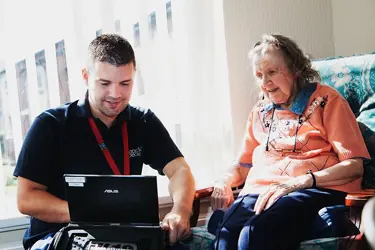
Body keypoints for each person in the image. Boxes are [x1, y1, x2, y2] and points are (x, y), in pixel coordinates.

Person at [14, 34, 195, 249]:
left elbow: (179, 169)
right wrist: (91, 213)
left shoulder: (143, 121)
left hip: (123, 234)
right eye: (105, 83)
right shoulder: (51, 124)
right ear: (85, 76)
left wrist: (180, 211)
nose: (115, 94)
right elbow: (26, 198)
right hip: (56, 234)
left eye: (125, 83)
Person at [210, 34, 370, 250]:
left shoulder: (327, 101)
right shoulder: (260, 110)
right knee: (225, 236)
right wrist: (223, 183)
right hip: (262, 191)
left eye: (272, 72)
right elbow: (242, 166)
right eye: (259, 75)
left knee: (254, 235)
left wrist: (301, 181)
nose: (265, 83)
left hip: (313, 188)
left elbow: (354, 165)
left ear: (295, 70)